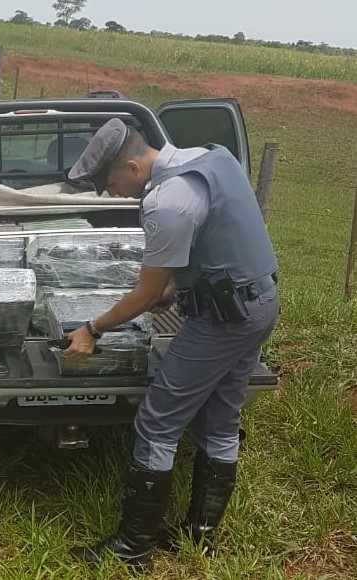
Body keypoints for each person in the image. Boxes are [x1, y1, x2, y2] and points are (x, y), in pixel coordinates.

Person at [64, 118, 279, 570]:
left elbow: (145, 295)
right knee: (221, 421)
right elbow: (218, 243)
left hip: (222, 319)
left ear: (132, 165)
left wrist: (92, 329)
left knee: (156, 424)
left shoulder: (166, 202)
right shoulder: (213, 157)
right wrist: (181, 288)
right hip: (259, 301)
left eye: (109, 182)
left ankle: (132, 549)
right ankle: (199, 536)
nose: (109, 193)